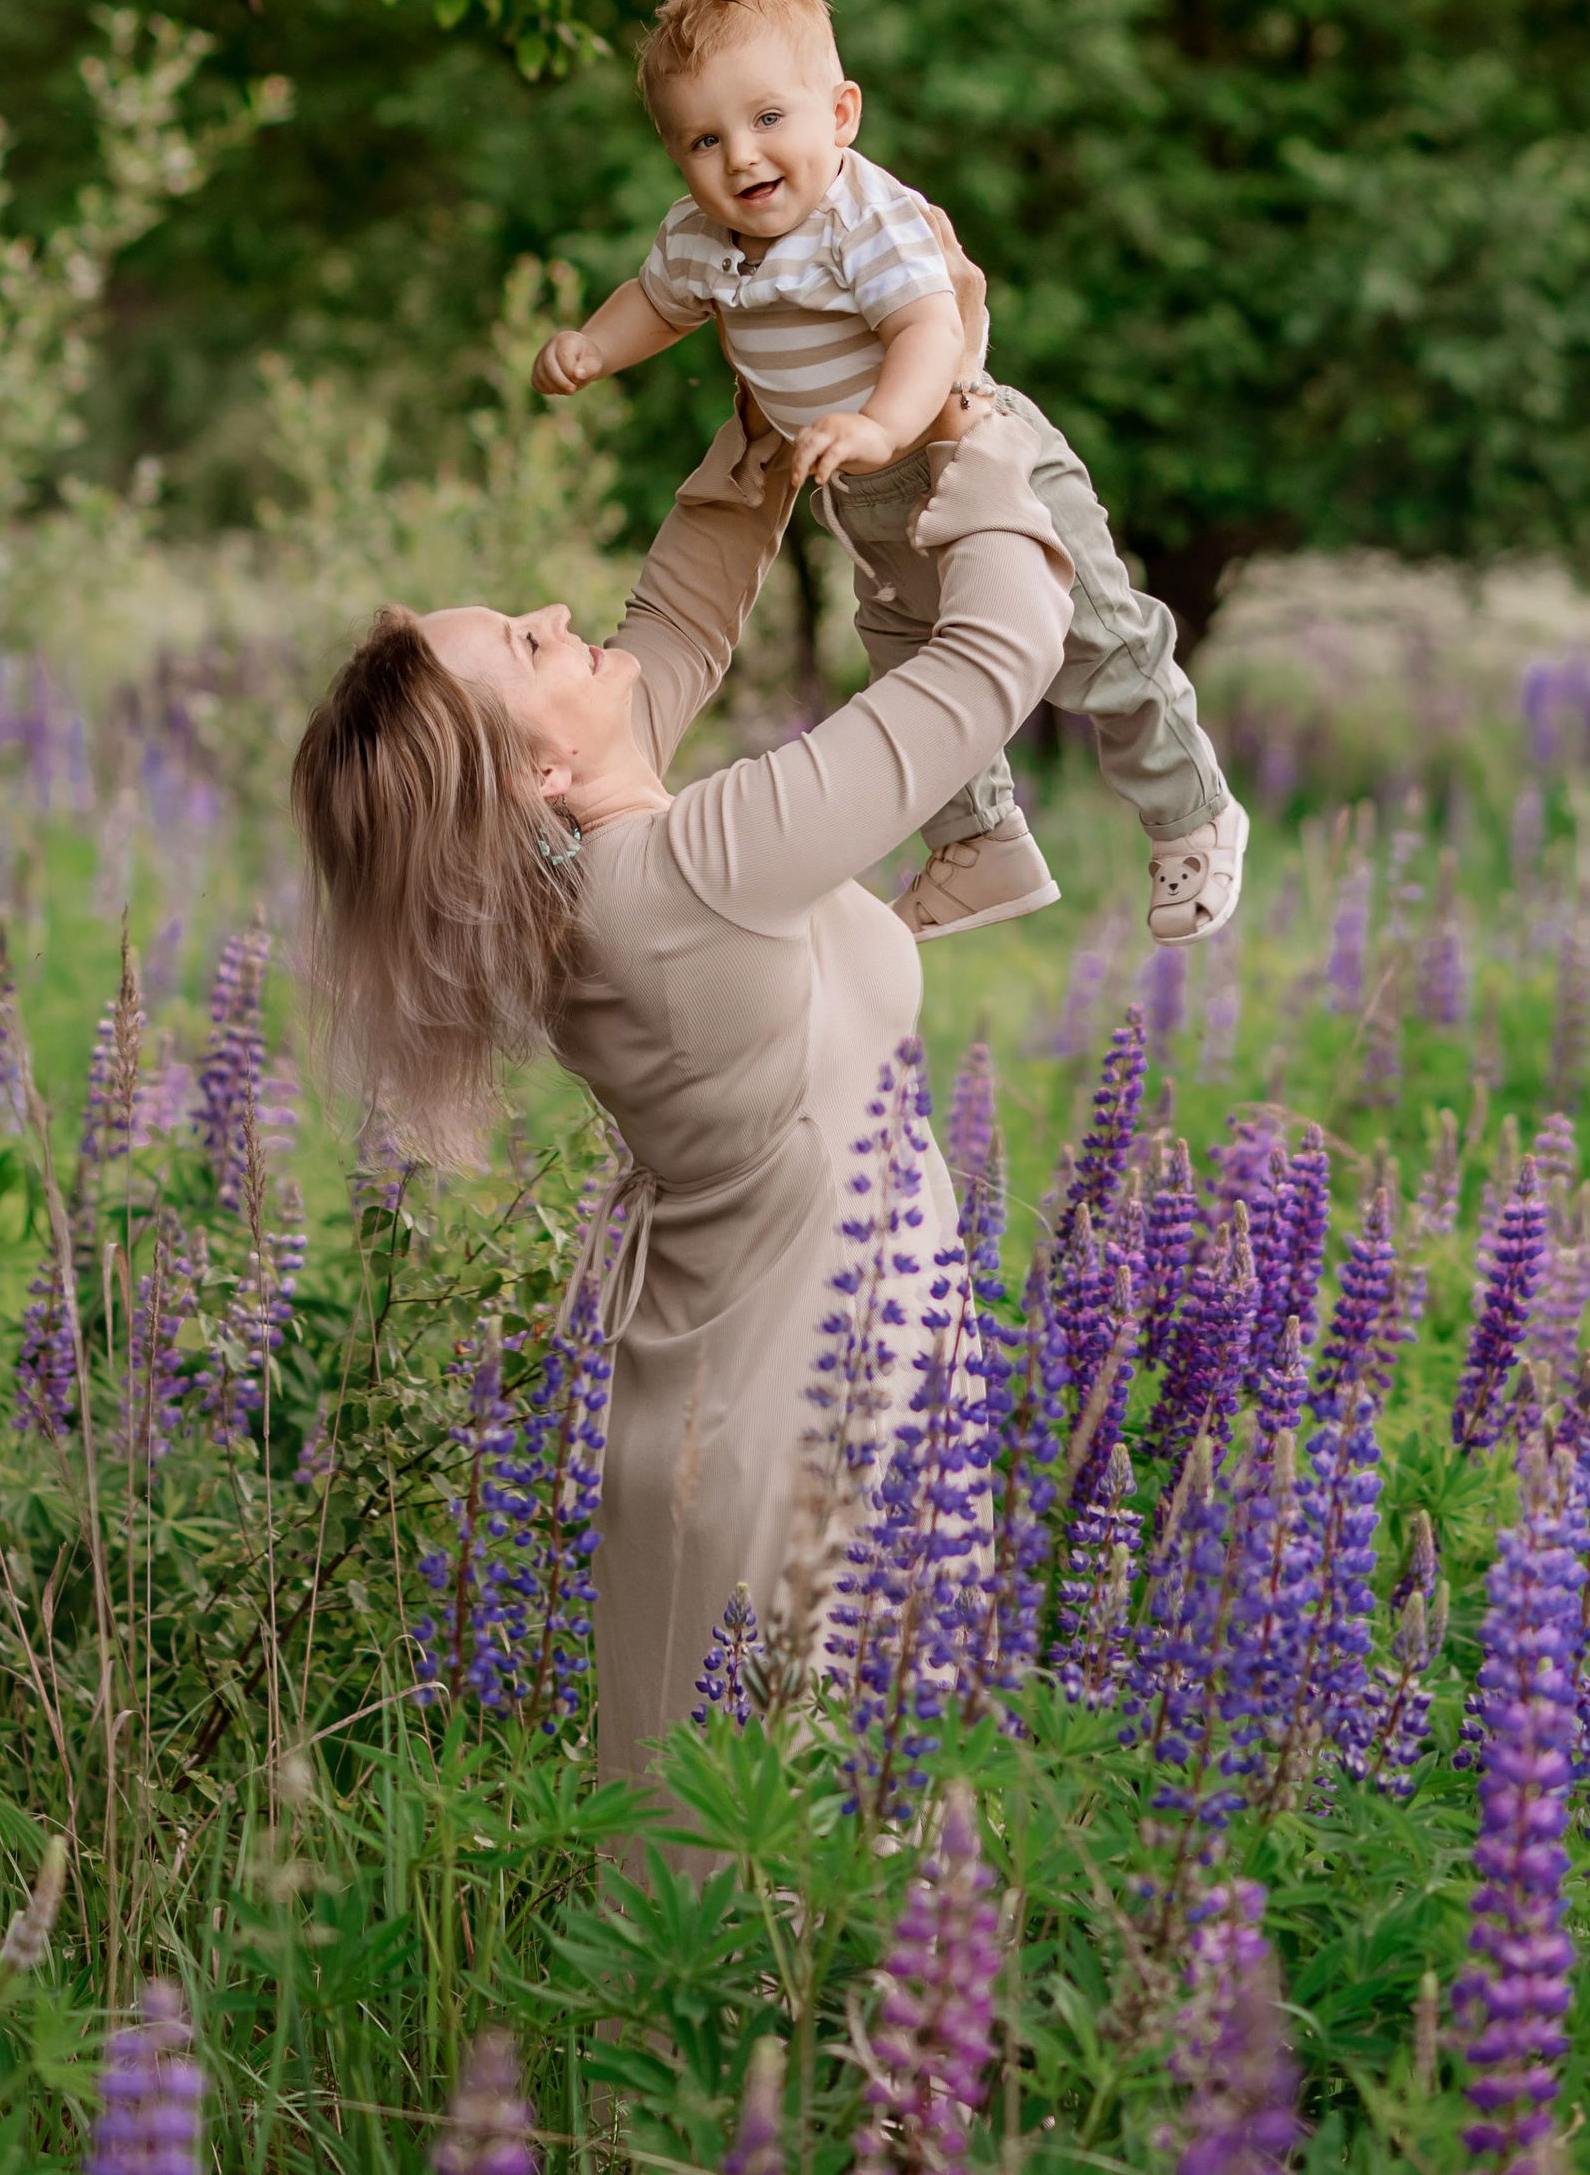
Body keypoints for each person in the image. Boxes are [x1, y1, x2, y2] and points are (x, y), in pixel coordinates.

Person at [291, 324, 1079, 1787]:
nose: (554, 610)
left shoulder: (594, 880)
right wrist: (977, 435)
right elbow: (995, 658)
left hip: (764, 1406)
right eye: (527, 644)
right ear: (533, 771)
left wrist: (770, 428)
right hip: (822, 1448)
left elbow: (676, 617)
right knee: (807, 1918)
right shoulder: (690, 874)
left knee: (723, 1930)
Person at [530, 0, 1247, 944]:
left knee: (1097, 644)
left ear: (841, 113)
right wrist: (593, 347)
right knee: (908, 665)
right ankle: (980, 846)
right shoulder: (700, 239)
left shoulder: (863, 216)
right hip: (865, 500)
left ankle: (1190, 811)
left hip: (974, 457)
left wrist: (877, 423)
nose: (741, 156)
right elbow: (657, 303)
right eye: (704, 139)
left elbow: (925, 332)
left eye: (768, 119)